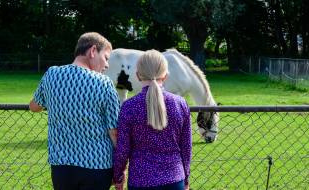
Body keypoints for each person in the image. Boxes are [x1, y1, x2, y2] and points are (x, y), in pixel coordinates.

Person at [29, 32, 120, 190]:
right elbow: (114, 131)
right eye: (105, 57)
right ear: (92, 51)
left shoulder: (52, 74)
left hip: (62, 167)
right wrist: (120, 167)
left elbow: (34, 106)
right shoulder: (104, 83)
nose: (107, 65)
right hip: (98, 165)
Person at [113, 50, 192, 190]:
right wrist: (186, 178)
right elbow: (186, 147)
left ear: (137, 76)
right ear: (166, 76)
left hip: (140, 181)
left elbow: (122, 149)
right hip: (174, 179)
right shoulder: (180, 104)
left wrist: (118, 176)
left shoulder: (129, 107)